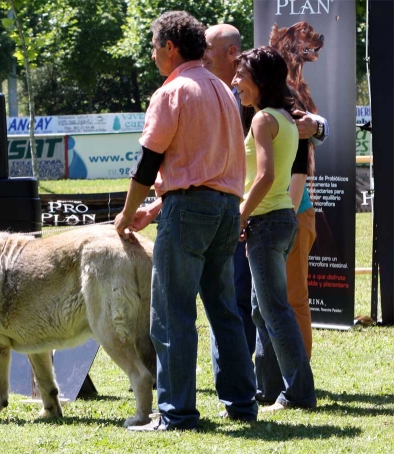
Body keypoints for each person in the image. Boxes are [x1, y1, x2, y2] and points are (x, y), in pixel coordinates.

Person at [114, 11, 257, 431]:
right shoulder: (224, 91)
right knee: (224, 311)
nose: (154, 55)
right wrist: (156, 208)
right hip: (227, 211)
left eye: (155, 47)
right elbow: (211, 169)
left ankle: (176, 413)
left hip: (189, 212)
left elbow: (148, 163)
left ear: (170, 47)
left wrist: (126, 214)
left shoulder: (171, 92)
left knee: (172, 313)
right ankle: (242, 404)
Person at [203, 24, 328, 358]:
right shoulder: (222, 95)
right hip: (249, 213)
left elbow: (300, 146)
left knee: (283, 303)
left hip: (273, 212)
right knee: (253, 301)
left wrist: (317, 125)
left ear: (232, 55)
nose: (203, 58)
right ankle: (262, 376)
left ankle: (296, 378)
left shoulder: (274, 106)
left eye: (208, 51)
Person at [232, 46, 316, 411]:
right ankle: (266, 390)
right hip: (281, 220)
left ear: (260, 80)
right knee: (261, 310)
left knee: (275, 311)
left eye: (241, 76)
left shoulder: (263, 120)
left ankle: (298, 393)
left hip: (266, 222)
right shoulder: (284, 117)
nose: (235, 83)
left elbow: (264, 176)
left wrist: (240, 215)